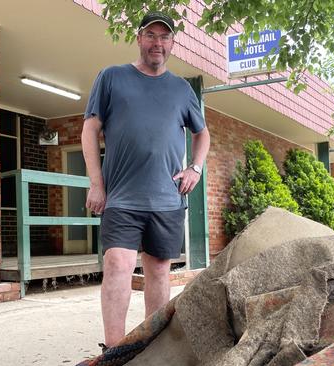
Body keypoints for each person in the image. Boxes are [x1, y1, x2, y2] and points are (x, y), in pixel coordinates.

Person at [81, 11, 211, 349]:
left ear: (172, 43)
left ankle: (150, 345)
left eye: (164, 37)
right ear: (139, 38)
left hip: (167, 197)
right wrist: (96, 182)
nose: (157, 42)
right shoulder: (111, 78)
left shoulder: (182, 89)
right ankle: (115, 349)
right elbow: (90, 129)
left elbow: (202, 134)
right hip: (121, 196)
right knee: (118, 264)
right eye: (150, 35)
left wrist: (195, 168)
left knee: (158, 270)